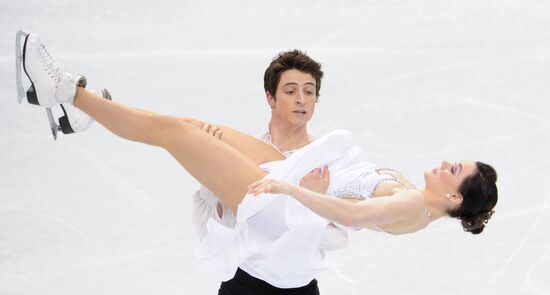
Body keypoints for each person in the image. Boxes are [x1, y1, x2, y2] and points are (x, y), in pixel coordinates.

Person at [17, 32, 498, 294]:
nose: (444, 163)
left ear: (454, 196)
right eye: (291, 90)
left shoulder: (415, 206)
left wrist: (294, 188)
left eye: (454, 169)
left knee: (175, 134)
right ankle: (80, 113)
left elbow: (347, 216)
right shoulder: (416, 203)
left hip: (280, 209)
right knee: (187, 125)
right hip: (293, 177)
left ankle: (61, 90)